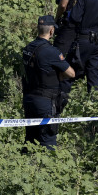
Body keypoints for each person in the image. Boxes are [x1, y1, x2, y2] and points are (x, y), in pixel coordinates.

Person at [22, 15, 75, 149]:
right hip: (45, 101)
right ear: (51, 31)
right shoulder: (51, 52)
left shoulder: (28, 48)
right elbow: (71, 73)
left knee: (30, 141)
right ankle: (49, 168)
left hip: (29, 99)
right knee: (48, 142)